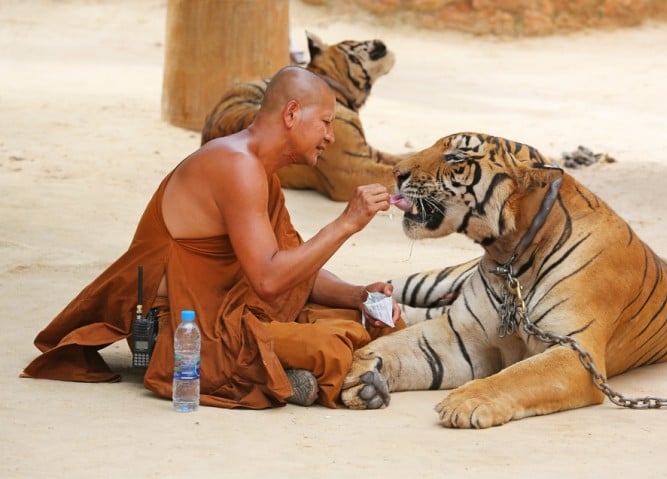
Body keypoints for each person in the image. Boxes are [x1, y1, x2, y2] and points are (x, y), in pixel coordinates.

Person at [21, 65, 405, 409]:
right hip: (186, 331)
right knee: (331, 346)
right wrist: (345, 224)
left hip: (233, 311)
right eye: (325, 122)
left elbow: (295, 268)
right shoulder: (235, 165)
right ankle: (274, 375)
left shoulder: (260, 175)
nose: (331, 137)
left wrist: (360, 295)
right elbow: (270, 280)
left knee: (370, 319)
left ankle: (278, 375)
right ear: (291, 114)